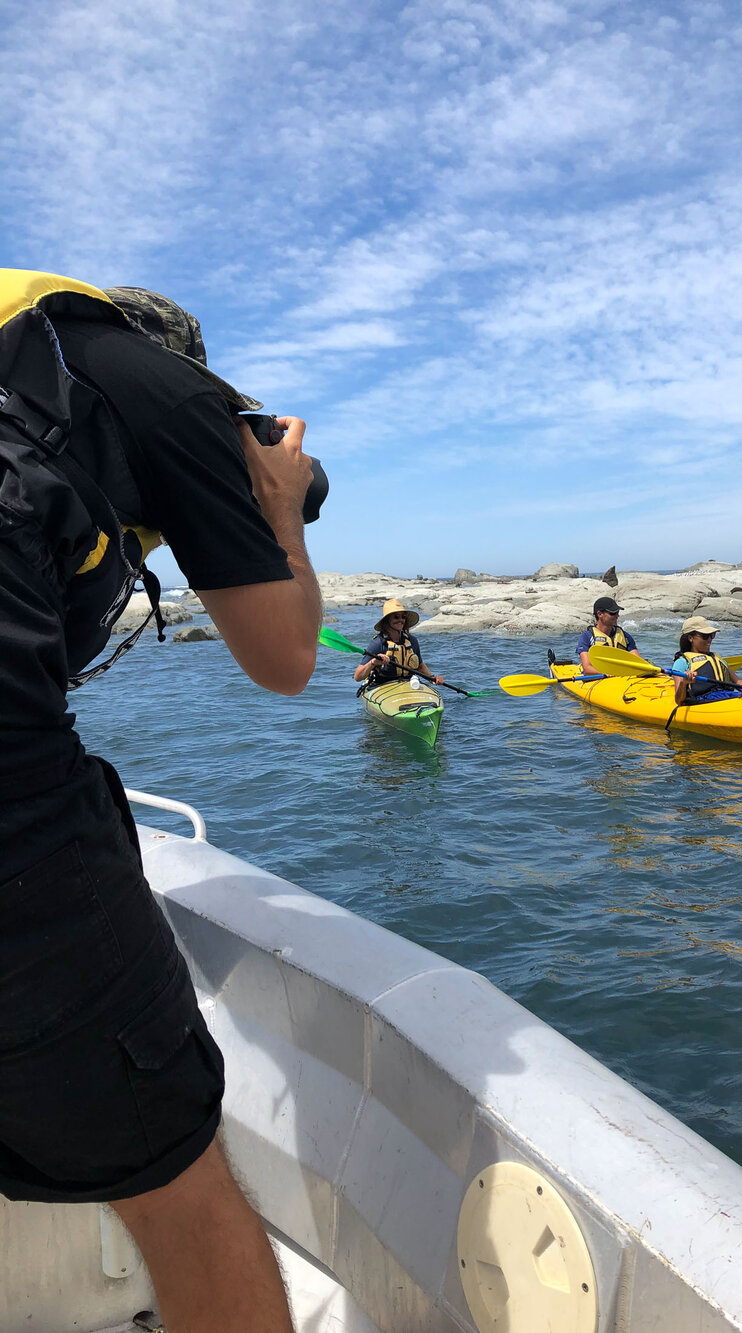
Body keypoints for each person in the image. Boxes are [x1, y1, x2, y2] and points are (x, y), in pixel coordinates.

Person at [0, 271, 324, 1332]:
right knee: (173, 1175)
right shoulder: (172, 390)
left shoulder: (34, 368)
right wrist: (276, 508)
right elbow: (282, 659)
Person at [354, 598, 444, 688]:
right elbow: (357, 677)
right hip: (382, 685)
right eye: (396, 617)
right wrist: (373, 663)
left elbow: (420, 666)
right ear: (387, 620)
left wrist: (432, 678)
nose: (400, 620)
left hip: (409, 684)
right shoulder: (378, 643)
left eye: (403, 617)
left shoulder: (412, 641)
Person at [672, 615, 742, 703]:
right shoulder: (682, 662)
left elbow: (739, 683)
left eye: (711, 635)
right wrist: (683, 683)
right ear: (690, 638)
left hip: (726, 696)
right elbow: (678, 700)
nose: (709, 639)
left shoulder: (718, 659)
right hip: (703, 702)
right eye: (705, 636)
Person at [577, 596, 643, 675]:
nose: (617, 616)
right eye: (612, 613)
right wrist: (606, 673)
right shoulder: (587, 637)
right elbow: (587, 668)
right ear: (600, 614)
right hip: (598, 678)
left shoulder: (625, 636)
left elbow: (638, 662)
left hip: (621, 677)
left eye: (617, 613)